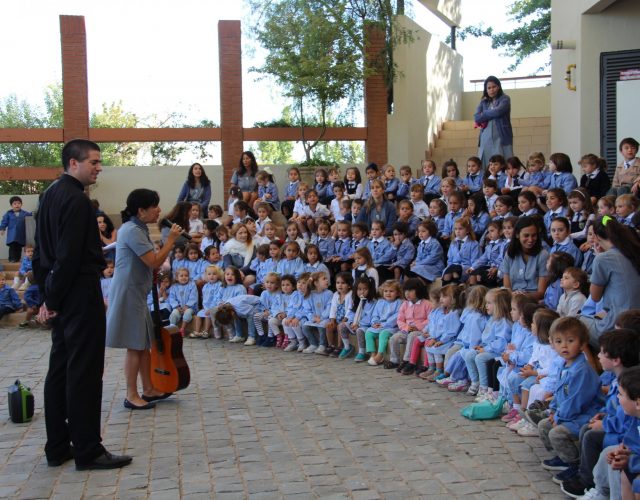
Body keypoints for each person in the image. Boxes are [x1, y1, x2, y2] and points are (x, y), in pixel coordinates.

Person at [33, 139, 132, 470]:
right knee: (85, 371)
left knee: (60, 369)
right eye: (93, 162)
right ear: (73, 164)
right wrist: (55, 298)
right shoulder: (76, 201)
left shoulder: (48, 196)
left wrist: (47, 297)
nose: (98, 167)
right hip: (77, 293)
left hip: (60, 292)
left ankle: (58, 446)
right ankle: (88, 449)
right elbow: (68, 256)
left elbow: (41, 251)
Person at [106, 189, 182, 410]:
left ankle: (148, 389)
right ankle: (131, 394)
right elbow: (153, 260)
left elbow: (147, 264)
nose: (159, 210)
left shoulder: (137, 229)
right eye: (154, 206)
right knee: (134, 345)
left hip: (138, 293)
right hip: (128, 294)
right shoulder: (131, 230)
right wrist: (170, 240)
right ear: (141, 210)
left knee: (144, 343)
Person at [500, 216, 549, 301]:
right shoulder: (510, 253)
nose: (530, 240)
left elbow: (541, 292)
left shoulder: (543, 255)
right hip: (513, 298)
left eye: (533, 235)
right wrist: (512, 295)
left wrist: (523, 297)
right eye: (526, 235)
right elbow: (507, 287)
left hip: (532, 300)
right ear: (517, 235)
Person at [474, 76, 513, 167]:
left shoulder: (505, 99)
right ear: (486, 89)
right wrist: (491, 113)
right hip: (485, 137)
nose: (492, 90)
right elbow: (476, 118)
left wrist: (484, 114)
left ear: (498, 87)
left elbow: (498, 111)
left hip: (501, 136)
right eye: (489, 88)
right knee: (486, 164)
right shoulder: (483, 102)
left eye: (494, 87)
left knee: (502, 162)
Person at [0, 195, 32, 263]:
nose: (17, 205)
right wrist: (2, 229)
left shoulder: (24, 213)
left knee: (19, 247)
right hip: (12, 234)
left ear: (21, 204)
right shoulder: (8, 214)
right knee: (12, 247)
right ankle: (11, 259)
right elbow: (4, 221)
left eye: (18, 203)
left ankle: (17, 258)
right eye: (15, 203)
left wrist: (35, 213)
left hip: (20, 234)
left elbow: (31, 215)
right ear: (11, 205)